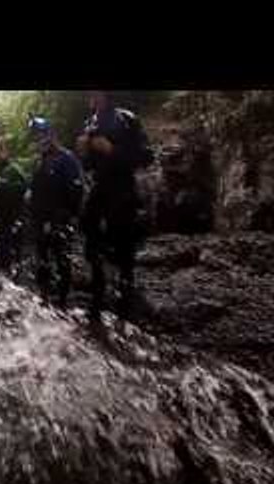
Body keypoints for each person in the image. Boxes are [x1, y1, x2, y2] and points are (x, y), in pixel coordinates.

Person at [76, 91, 153, 321]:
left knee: (122, 238)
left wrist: (113, 150)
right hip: (100, 186)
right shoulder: (90, 123)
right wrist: (84, 153)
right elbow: (89, 164)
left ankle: (126, 291)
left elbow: (146, 156)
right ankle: (98, 285)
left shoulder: (126, 119)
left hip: (122, 185)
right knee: (88, 227)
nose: (89, 95)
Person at [27, 115, 85, 309]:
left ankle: (63, 303)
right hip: (40, 220)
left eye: (42, 135)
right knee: (42, 262)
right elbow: (34, 189)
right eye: (36, 136)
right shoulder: (39, 162)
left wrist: (67, 215)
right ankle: (44, 300)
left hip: (60, 219)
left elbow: (77, 189)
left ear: (52, 134)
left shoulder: (66, 159)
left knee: (62, 261)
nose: (39, 140)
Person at [0, 138, 28, 276]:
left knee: (9, 253)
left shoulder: (13, 169)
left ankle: (11, 281)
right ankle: (2, 281)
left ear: (5, 152)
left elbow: (24, 188)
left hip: (11, 220)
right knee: (2, 253)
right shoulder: (0, 170)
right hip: (1, 221)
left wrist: (1, 185)